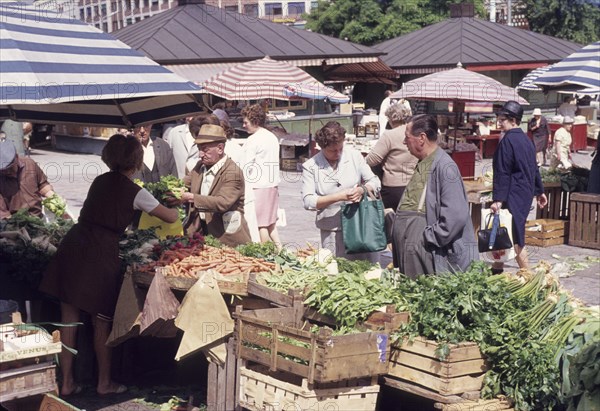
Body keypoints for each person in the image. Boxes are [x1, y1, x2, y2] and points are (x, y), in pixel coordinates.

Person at [39, 134, 178, 397]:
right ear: (136, 162)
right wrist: (176, 202)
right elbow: (169, 217)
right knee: (102, 319)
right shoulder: (135, 191)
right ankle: (104, 383)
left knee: (69, 319)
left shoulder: (99, 180)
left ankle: (66, 383)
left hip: (75, 243)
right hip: (100, 252)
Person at [391, 114, 478, 277]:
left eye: (407, 138)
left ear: (421, 138)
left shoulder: (445, 167)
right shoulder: (425, 162)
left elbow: (456, 216)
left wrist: (427, 238)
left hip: (427, 250)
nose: (404, 142)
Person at [301, 121, 381, 262]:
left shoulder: (355, 156)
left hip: (360, 224)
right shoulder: (310, 166)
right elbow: (308, 201)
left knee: (367, 268)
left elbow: (375, 182)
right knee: (336, 270)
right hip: (331, 228)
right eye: (333, 151)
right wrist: (338, 196)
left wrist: (362, 190)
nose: (338, 153)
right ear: (321, 147)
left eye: (340, 149)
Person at [491, 101, 548, 273]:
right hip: (524, 194)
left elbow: (503, 172)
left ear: (513, 120)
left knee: (515, 233)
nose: (499, 123)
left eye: (502, 120)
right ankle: (496, 269)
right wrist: (540, 191)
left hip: (512, 194)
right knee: (506, 231)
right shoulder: (526, 140)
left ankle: (528, 275)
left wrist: (498, 200)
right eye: (499, 119)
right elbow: (534, 167)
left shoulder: (507, 141)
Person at [174, 124, 252, 247]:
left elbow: (222, 202)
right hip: (202, 233)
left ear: (220, 149)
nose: (200, 154)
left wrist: (191, 197)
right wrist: (170, 190)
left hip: (227, 239)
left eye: (205, 150)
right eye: (199, 149)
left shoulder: (233, 172)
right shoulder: (200, 166)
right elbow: (183, 183)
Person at [241, 104, 281, 249]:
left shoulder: (253, 140)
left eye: (246, 122)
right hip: (272, 185)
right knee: (271, 224)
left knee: (259, 225)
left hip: (258, 187)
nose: (243, 125)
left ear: (255, 122)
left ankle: (265, 254)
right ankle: (281, 250)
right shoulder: (271, 137)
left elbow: (245, 166)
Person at [366, 103, 417, 210]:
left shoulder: (389, 135)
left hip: (393, 187)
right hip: (413, 185)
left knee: (391, 222)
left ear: (390, 119)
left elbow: (372, 160)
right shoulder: (415, 133)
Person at [0, 140, 59, 219]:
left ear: (16, 157)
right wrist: (12, 225)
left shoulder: (29, 164)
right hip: (15, 221)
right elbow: (3, 213)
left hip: (37, 217)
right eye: (3, 169)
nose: (7, 171)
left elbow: (43, 185)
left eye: (10, 167)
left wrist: (56, 201)